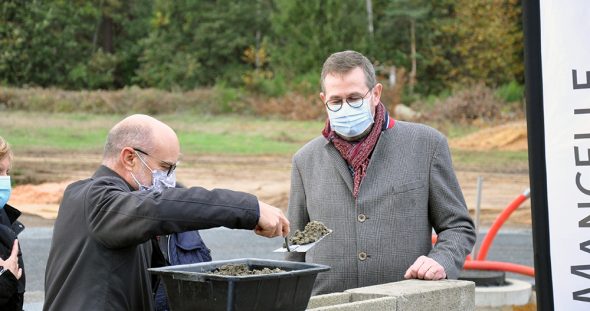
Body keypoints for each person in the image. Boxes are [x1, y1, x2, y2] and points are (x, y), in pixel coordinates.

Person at [44, 114, 290, 310]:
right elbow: (162, 206)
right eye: (165, 167)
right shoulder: (98, 200)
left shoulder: (122, 210)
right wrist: (250, 209)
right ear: (129, 158)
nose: (170, 179)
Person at [285, 50, 476, 294]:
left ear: (375, 94)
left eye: (354, 98)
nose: (345, 108)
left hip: (406, 303)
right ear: (324, 100)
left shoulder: (426, 144)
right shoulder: (305, 160)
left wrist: (441, 260)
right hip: (327, 303)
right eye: (336, 101)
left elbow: (458, 227)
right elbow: (296, 246)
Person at [0, 136, 26, 311]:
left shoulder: (3, 216)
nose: (4, 180)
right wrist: (6, 277)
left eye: (6, 173)